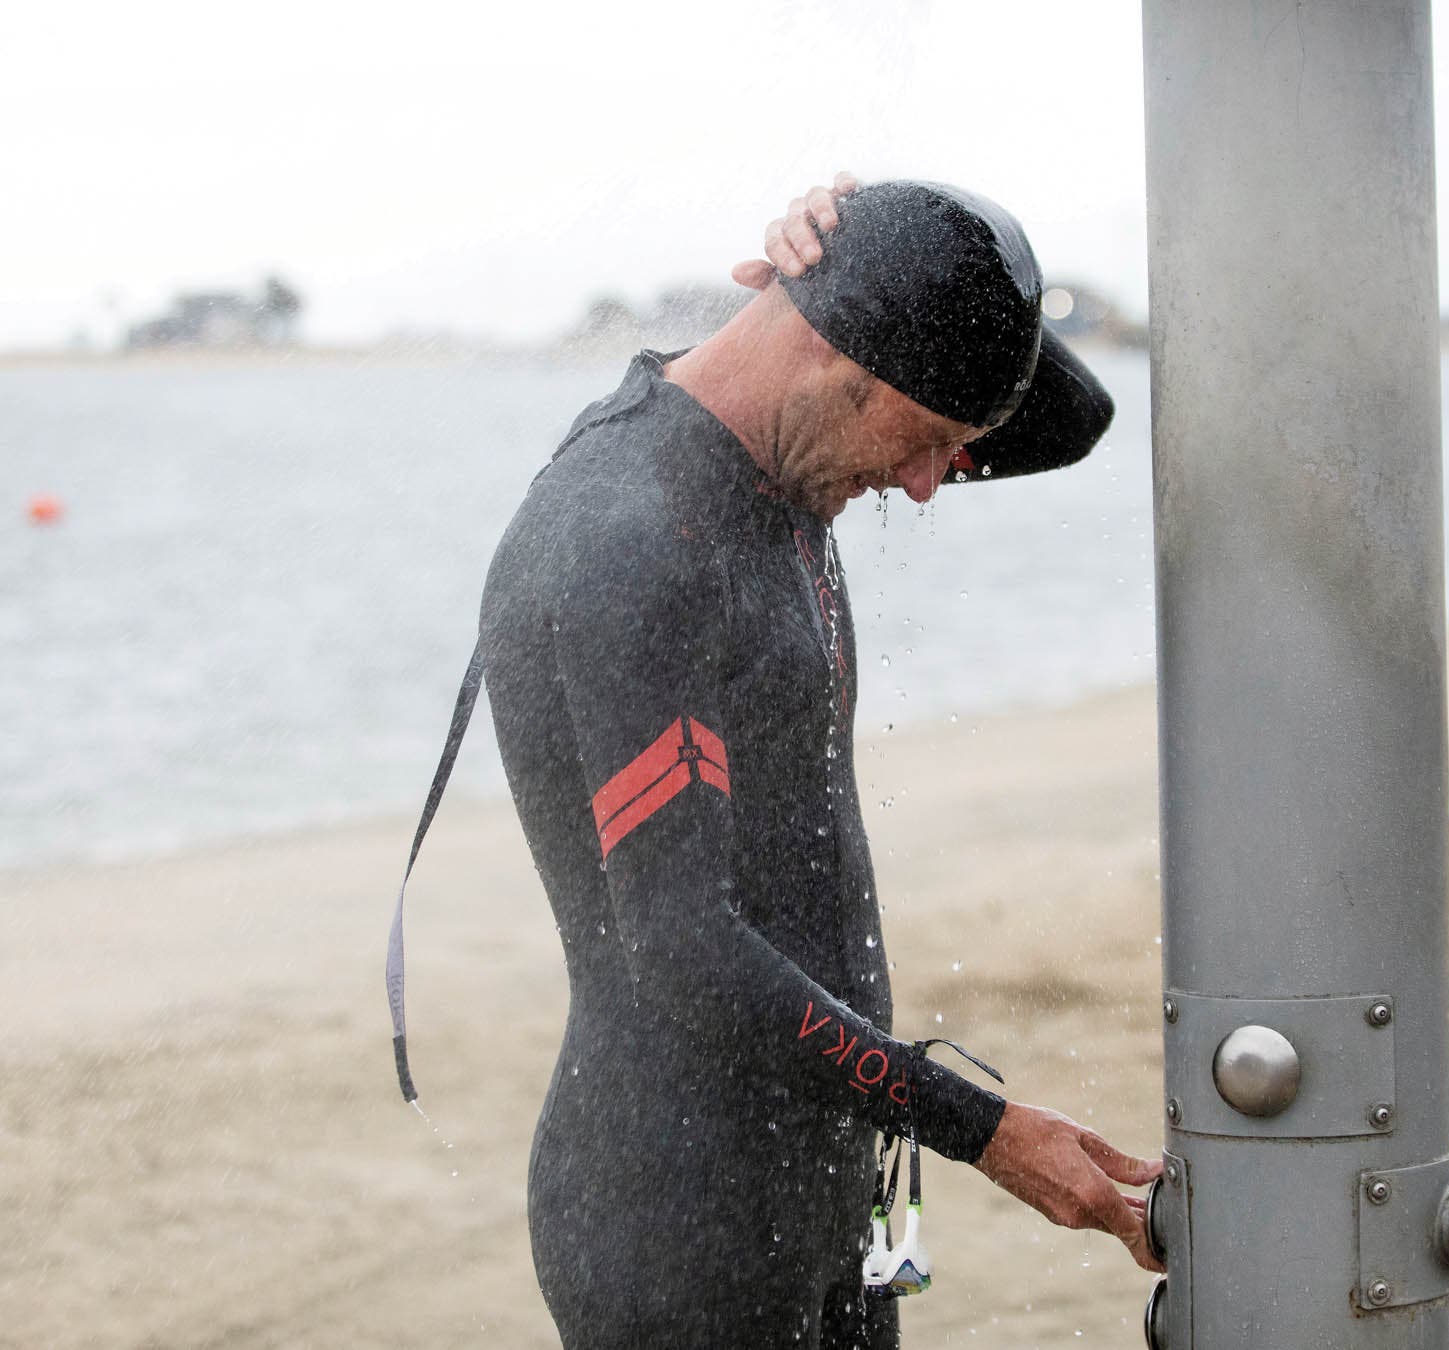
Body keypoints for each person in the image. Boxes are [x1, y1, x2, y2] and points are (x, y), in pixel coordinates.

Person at [478, 176, 1160, 1349]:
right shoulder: (633, 537)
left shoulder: (791, 463)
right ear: (832, 357)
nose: (929, 485)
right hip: (678, 1228)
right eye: (933, 442)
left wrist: (874, 244)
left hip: (823, 1197)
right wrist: (980, 1127)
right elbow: (681, 947)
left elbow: (1076, 420)